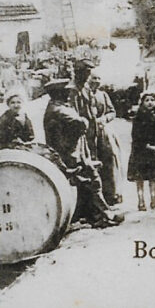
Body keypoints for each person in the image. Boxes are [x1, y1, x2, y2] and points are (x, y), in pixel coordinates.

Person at [43, 79, 122, 228]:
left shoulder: (59, 106)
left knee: (87, 183)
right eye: (66, 91)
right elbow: (81, 123)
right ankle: (103, 215)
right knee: (92, 180)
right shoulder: (58, 110)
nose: (69, 94)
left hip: (74, 152)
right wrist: (84, 121)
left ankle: (90, 215)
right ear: (58, 93)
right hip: (69, 155)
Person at [73, 67, 122, 205]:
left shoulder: (103, 95)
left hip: (103, 133)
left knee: (108, 160)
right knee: (92, 162)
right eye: (94, 78)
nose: (97, 81)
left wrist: (104, 119)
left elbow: (112, 112)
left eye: (99, 78)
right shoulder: (82, 94)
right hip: (89, 133)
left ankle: (110, 194)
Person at [128, 92, 155, 211]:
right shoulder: (138, 118)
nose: (150, 102)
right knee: (140, 178)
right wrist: (147, 146)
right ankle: (141, 202)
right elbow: (136, 136)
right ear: (142, 103)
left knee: (153, 177)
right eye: (147, 100)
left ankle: (154, 201)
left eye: (152, 100)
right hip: (141, 152)